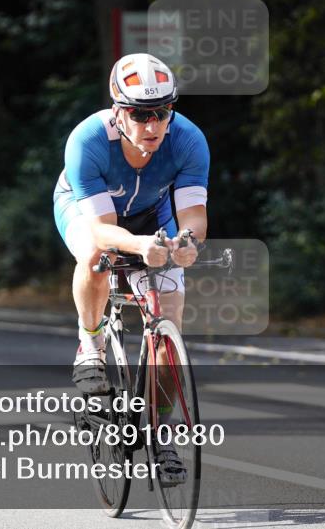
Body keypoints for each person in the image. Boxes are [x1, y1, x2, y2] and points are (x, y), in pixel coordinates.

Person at [53, 53, 209, 483]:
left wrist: (188, 243)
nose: (152, 125)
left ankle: (161, 435)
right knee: (95, 258)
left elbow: (193, 214)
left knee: (168, 325)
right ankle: (90, 345)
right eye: (141, 114)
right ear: (118, 112)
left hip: (151, 215)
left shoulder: (189, 139)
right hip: (89, 213)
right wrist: (140, 246)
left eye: (161, 112)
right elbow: (103, 232)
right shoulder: (86, 140)